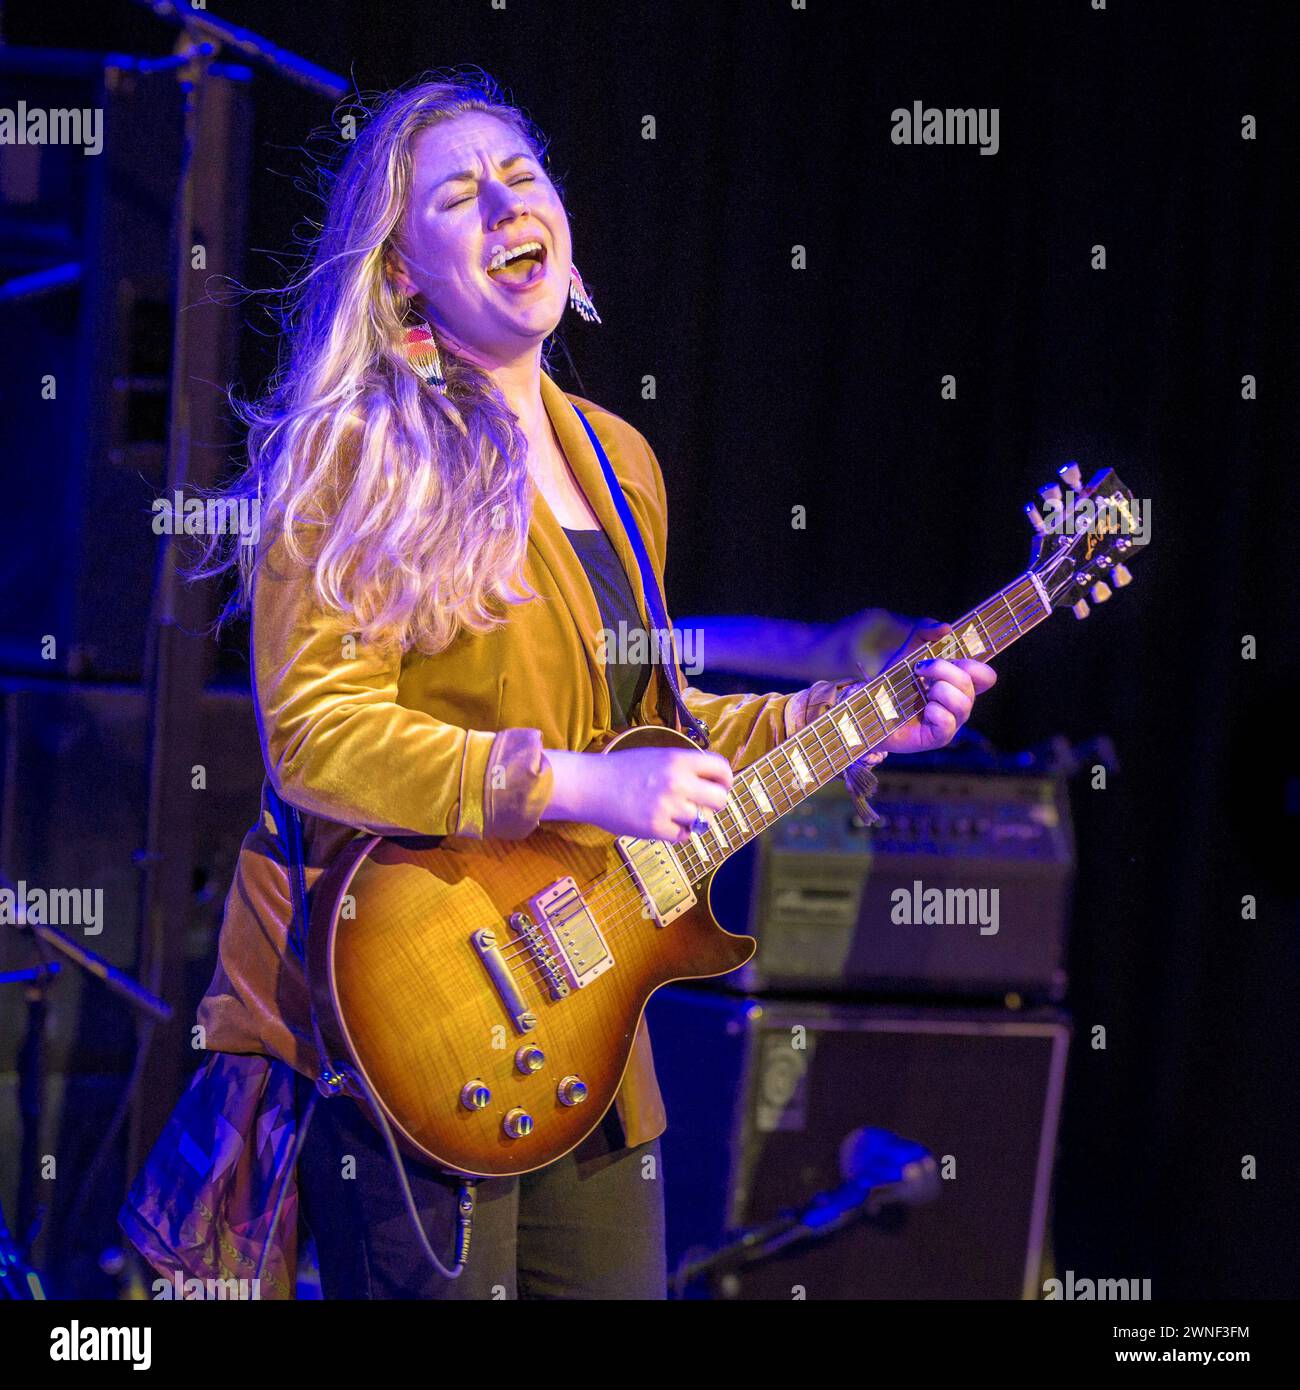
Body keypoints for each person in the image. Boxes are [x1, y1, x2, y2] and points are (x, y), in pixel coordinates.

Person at [119, 71, 995, 1301]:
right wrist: (569, 779)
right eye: (457, 198)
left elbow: (655, 734)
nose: (502, 206)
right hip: (418, 1018)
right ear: (400, 272)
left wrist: (839, 721)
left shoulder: (618, 459)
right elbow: (317, 737)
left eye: (519, 178)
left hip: (588, 1031)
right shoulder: (359, 450)